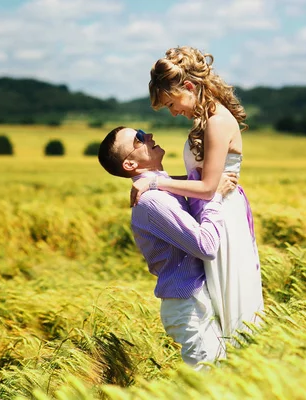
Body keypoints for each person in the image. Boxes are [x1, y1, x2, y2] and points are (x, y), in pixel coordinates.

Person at [132, 46, 264, 344]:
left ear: (189, 87)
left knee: (229, 303)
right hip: (211, 211)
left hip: (223, 215)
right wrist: (155, 178)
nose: (174, 111)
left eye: (172, 102)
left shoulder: (217, 122)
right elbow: (199, 180)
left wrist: (154, 184)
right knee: (216, 303)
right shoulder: (205, 120)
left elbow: (207, 187)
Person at [98, 126, 238, 368]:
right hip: (189, 304)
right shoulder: (154, 201)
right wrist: (215, 197)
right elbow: (206, 246)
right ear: (130, 164)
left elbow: (194, 183)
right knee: (209, 383)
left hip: (197, 299)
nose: (149, 135)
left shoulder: (160, 188)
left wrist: (207, 183)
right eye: (139, 138)